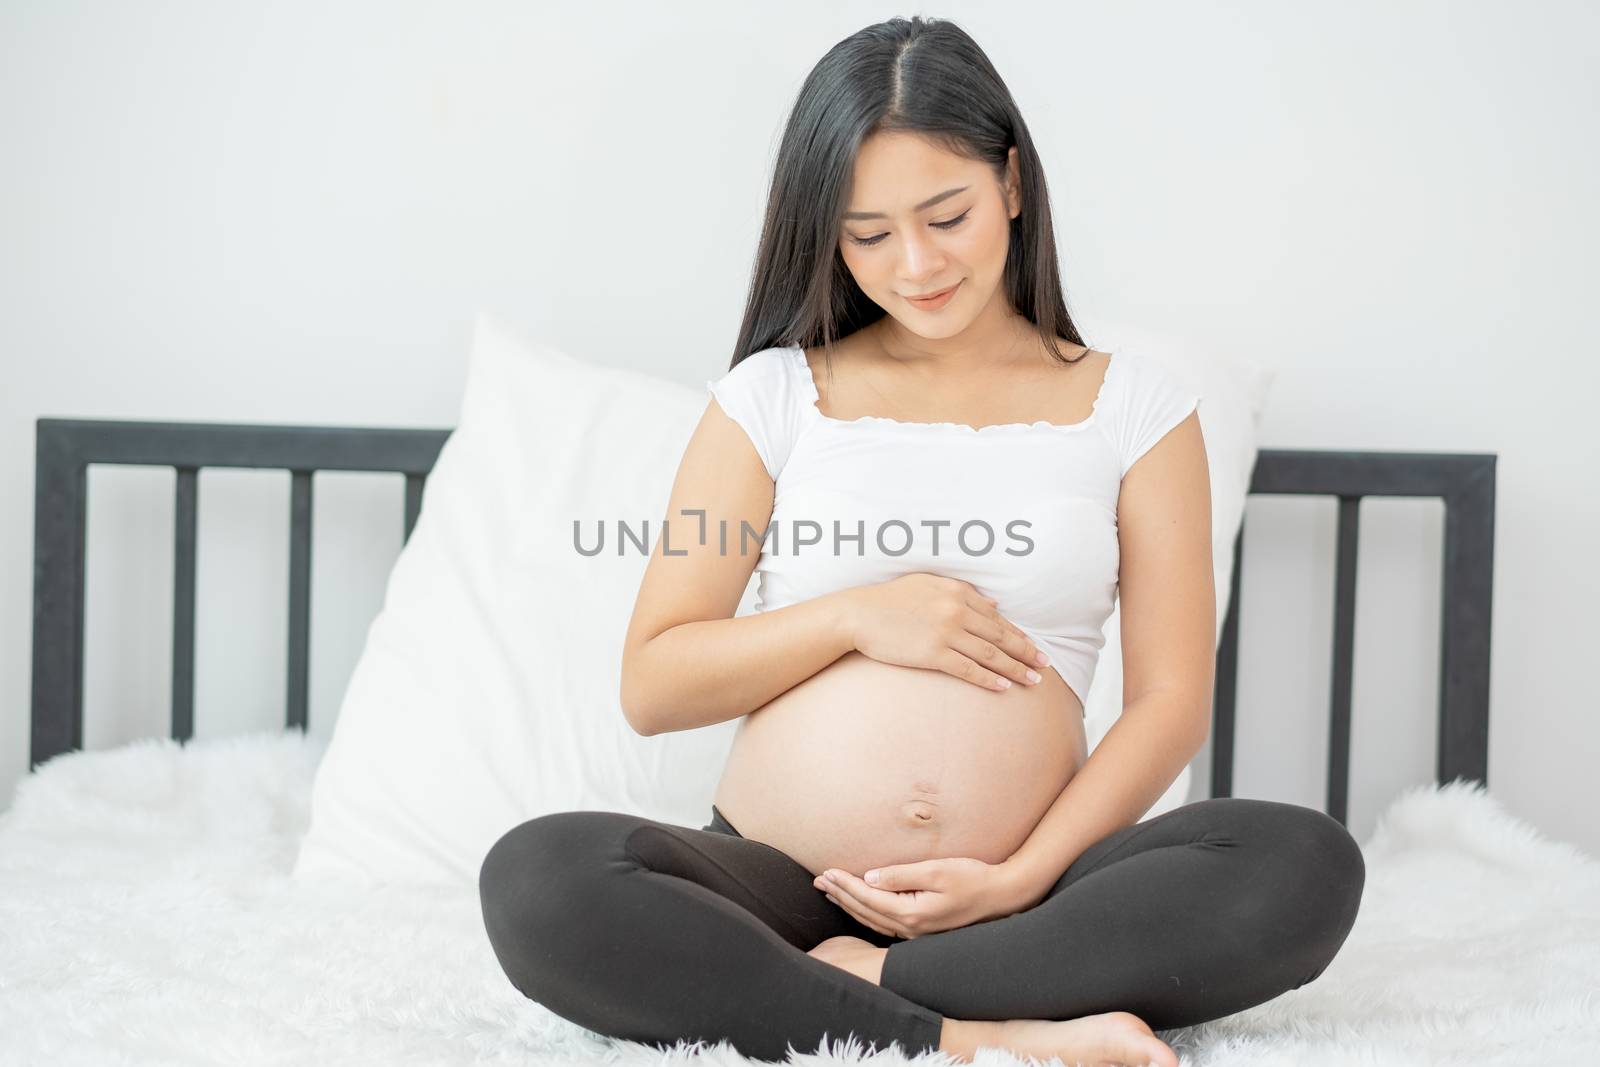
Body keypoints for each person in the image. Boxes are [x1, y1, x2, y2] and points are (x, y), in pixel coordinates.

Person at [479, 15, 1364, 1067]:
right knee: (540, 876)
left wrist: (1021, 874)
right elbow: (656, 679)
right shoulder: (772, 397)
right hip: (782, 889)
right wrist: (861, 614)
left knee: (1299, 861)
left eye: (947, 214)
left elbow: (1170, 701)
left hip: (1035, 895)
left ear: (1013, 183)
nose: (915, 263)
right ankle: (976, 1029)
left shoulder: (1137, 410)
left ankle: (859, 995)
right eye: (867, 233)